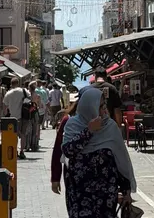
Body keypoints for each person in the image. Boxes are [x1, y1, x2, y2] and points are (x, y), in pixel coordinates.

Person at [62, 87, 136, 218]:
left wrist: (126, 191)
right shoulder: (73, 125)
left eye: (104, 105)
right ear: (90, 106)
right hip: (79, 194)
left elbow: (120, 160)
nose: (104, 110)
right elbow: (68, 151)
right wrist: (89, 131)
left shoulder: (110, 126)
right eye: (100, 106)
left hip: (106, 195)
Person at [51, 95, 80, 209]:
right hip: (73, 174)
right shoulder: (68, 120)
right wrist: (55, 177)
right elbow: (58, 149)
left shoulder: (103, 122)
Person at [3, 77, 30, 159]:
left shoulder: (8, 93)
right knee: (23, 134)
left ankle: (15, 151)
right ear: (18, 83)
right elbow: (30, 99)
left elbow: (5, 106)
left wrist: (5, 115)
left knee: (14, 135)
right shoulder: (23, 91)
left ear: (11, 84)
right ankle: (22, 151)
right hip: (24, 115)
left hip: (13, 117)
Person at [28, 81, 42, 151]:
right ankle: (34, 145)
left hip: (28, 113)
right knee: (35, 129)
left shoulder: (27, 96)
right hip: (35, 112)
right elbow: (40, 105)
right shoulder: (37, 96)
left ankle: (27, 145)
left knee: (28, 129)